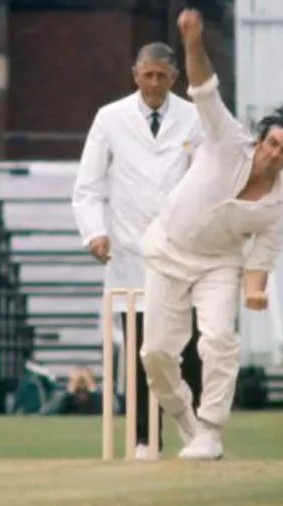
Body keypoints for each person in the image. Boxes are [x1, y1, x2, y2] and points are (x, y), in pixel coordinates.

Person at [139, 9, 283, 460]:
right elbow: (203, 87)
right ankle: (185, 418)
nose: (275, 154)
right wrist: (193, 40)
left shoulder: (275, 212)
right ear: (261, 140)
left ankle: (212, 431)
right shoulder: (225, 137)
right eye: (272, 144)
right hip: (166, 249)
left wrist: (255, 293)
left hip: (219, 265)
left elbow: (259, 266)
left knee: (218, 338)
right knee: (155, 354)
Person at [72, 42, 205, 459]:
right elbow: (88, 186)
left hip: (182, 253)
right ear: (135, 74)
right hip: (131, 255)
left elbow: (206, 183)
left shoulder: (195, 117)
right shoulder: (110, 118)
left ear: (174, 78)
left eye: (161, 76)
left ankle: (197, 435)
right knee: (140, 354)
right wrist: (94, 232)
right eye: (146, 75)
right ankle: (145, 438)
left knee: (187, 353)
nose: (153, 83)